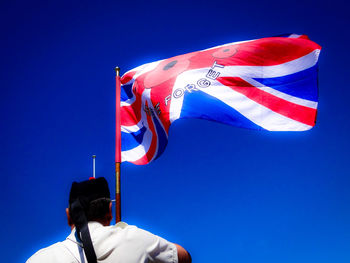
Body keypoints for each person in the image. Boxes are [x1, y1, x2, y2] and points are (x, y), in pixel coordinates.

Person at [27, 177, 191, 263]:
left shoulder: (37, 259)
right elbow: (183, 257)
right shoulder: (134, 239)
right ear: (110, 212)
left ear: (69, 215)